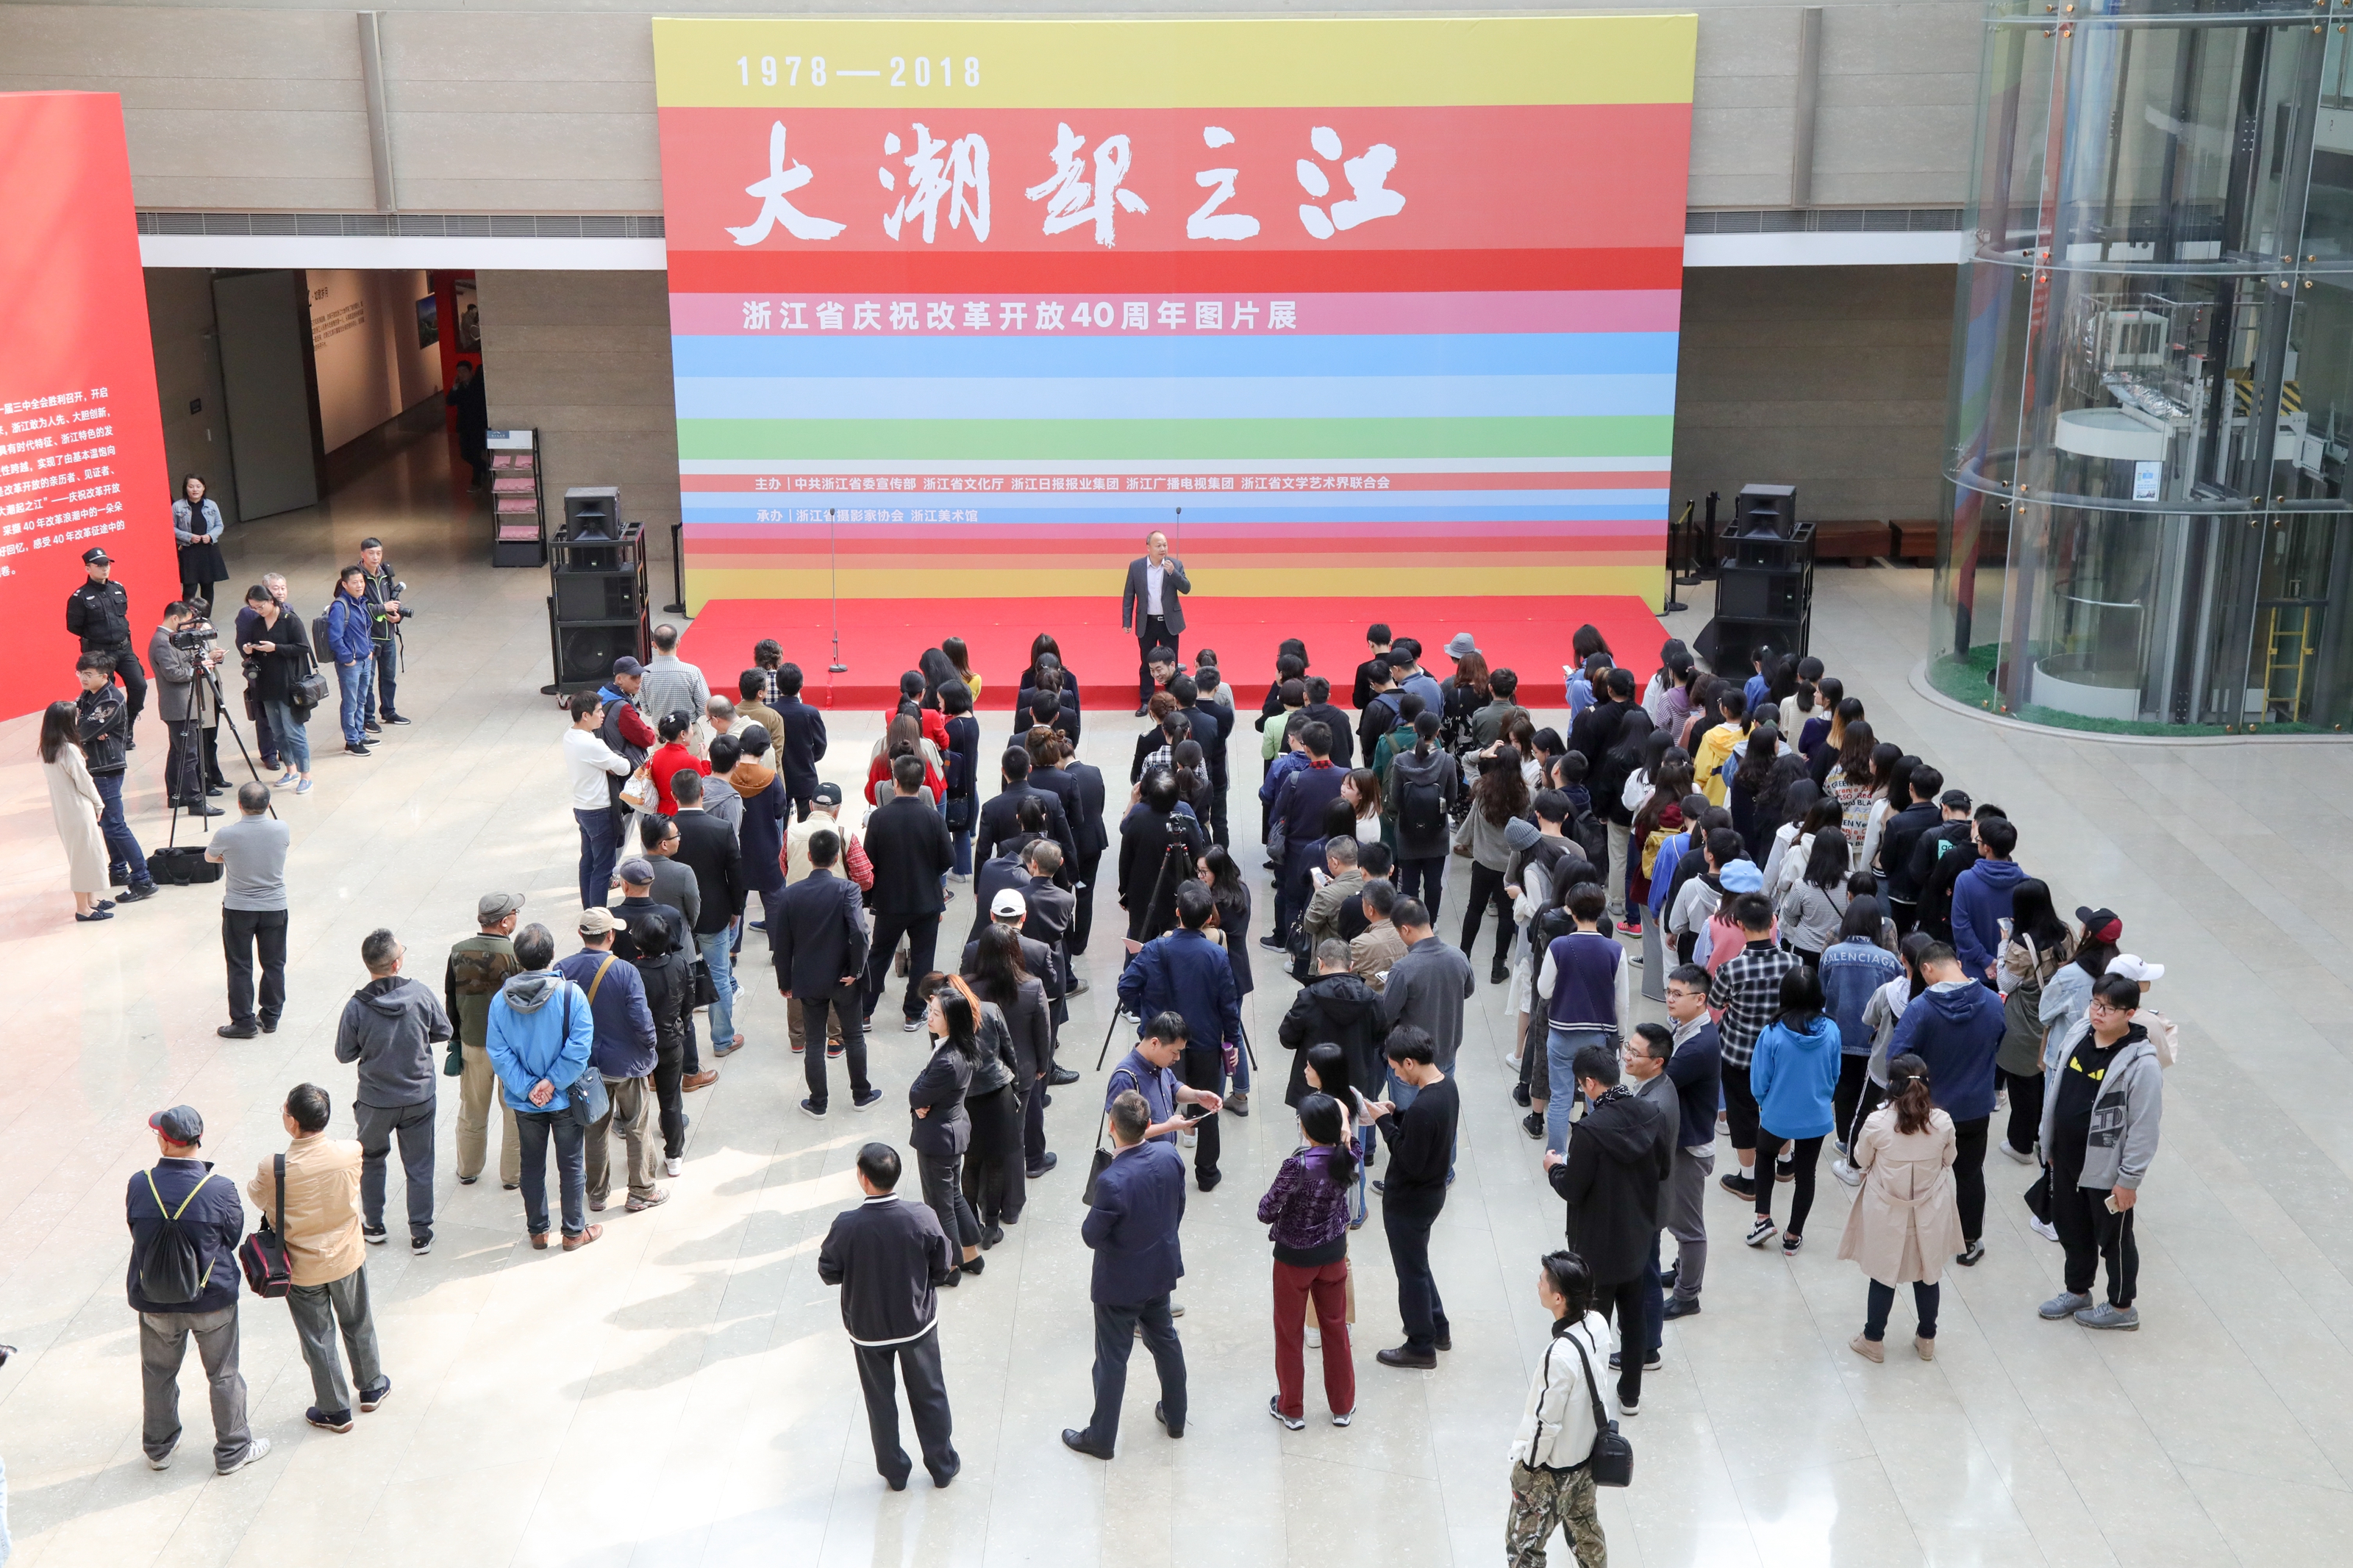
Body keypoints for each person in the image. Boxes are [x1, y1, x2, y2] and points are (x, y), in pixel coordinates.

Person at [128, 1104, 269, 1475]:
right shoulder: (220, 1189)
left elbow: (136, 1230)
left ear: (164, 1142)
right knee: (223, 1374)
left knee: (158, 1374)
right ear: (198, 1139)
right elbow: (232, 1236)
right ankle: (233, 1450)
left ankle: (159, 1448)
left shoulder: (139, 1184)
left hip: (155, 1299)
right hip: (212, 1300)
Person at [819, 1142, 961, 1490]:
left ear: (863, 1178)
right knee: (930, 1395)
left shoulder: (847, 1225)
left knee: (879, 1401)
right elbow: (943, 1265)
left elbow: (828, 1271)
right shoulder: (921, 1216)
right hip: (916, 1324)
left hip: (868, 1330)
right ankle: (942, 1466)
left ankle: (895, 1473)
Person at [1542, 1042, 1671, 1414]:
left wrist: (1554, 1167)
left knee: (1595, 1324)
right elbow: (1663, 1170)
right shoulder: (1652, 1113)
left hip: (1597, 1244)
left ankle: (1593, 1397)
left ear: (1589, 1083)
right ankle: (1630, 1395)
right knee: (1634, 1315)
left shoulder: (1590, 1130)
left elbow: (1573, 1188)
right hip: (1638, 1234)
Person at [1063, 1089, 1190, 1458]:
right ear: (1149, 1125)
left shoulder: (1112, 1180)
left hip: (1119, 1285)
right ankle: (1176, 1417)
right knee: (1166, 1342)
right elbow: (1178, 1207)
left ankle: (1101, 1439)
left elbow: (1091, 1236)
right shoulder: (1169, 1155)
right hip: (1160, 1271)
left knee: (1112, 1360)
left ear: (1112, 1126)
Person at [255, 1082, 390, 1431]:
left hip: (303, 1269)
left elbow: (258, 1198)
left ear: (293, 1122)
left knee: (318, 1338)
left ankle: (335, 1410)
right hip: (346, 1258)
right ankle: (372, 1386)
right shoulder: (351, 1152)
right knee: (358, 1321)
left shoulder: (274, 1167)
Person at [2036, 973, 2161, 1329]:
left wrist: (2129, 1180)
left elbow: (2144, 1128)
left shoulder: (2142, 1065)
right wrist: (2049, 1142)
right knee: (2071, 1229)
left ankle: (2122, 1308)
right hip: (2066, 1159)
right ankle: (2077, 1291)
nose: (2098, 1012)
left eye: (2109, 1008)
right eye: (2095, 1003)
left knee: (2115, 1241)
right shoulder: (2079, 1034)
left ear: (2130, 1013)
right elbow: (2056, 1089)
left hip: (2107, 1171)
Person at [1117, 881, 1243, 1189]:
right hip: (1205, 1042)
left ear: (1177, 913)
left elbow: (1126, 987)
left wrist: (1148, 1017)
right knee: (1208, 1107)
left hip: (1161, 1044)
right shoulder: (1217, 955)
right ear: (1208, 919)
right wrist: (1232, 1042)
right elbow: (1229, 1005)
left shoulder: (1154, 948)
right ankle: (1207, 1173)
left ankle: (1159, 1169)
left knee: (1157, 1109)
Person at [1888, 942, 2007, 1266]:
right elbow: (1998, 1041)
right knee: (1970, 1175)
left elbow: (1895, 1060)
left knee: (1921, 1176)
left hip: (1929, 1111)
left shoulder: (1920, 1009)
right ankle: (1970, 1240)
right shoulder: (1993, 1003)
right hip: (1975, 1109)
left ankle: (1919, 1236)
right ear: (1957, 963)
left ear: (1926, 968)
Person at [333, 927, 451, 1255]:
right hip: (419, 1096)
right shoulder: (420, 993)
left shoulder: (357, 1007)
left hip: (375, 1101)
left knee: (371, 1160)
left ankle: (373, 1225)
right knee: (420, 1165)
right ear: (396, 964)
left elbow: (344, 1053)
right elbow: (444, 1030)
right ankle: (421, 1234)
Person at [484, 925, 601, 1251]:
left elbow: (499, 1053)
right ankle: (574, 1232)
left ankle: (538, 1232)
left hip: (525, 1103)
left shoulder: (500, 1002)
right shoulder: (571, 995)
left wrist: (529, 1088)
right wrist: (552, 1083)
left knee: (532, 1165)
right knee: (571, 1163)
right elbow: (580, 1048)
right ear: (551, 956)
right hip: (565, 1099)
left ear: (518, 959)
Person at [1838, 1054, 1963, 1362]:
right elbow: (1950, 1159)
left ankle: (1873, 1340)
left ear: (1891, 1084)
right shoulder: (1943, 1122)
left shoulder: (1877, 1123)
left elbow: (1861, 1159)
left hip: (1886, 1209)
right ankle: (1927, 1339)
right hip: (1930, 1209)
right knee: (1928, 1273)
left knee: (1883, 1274)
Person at [1505, 1250, 1614, 1568]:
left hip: (1553, 1469)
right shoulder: (1598, 1323)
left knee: (1523, 1548)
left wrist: (1528, 1465)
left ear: (1558, 1298)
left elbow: (1546, 1422)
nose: (1538, 1284)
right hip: (1587, 1455)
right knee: (1586, 1531)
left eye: (1543, 1280)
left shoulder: (1559, 1354)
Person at [556, 907, 667, 1214]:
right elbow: (641, 1020)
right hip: (627, 1064)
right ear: (611, 935)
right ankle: (641, 1191)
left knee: (594, 1130)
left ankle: (596, 1194)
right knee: (636, 1127)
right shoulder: (626, 971)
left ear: (581, 934)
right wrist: (651, 1047)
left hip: (587, 1068)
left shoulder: (563, 969)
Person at [1258, 1092, 1359, 1429]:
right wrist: (1345, 1128)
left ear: (1306, 1128)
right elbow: (1352, 1141)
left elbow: (1265, 1210)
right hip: (1333, 1254)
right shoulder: (1349, 1156)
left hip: (1293, 1260)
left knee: (1289, 1333)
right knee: (1335, 1328)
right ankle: (1343, 1406)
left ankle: (1291, 1408)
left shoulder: (1297, 1166)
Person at [1363, 1025, 1457, 1367]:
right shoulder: (1446, 1087)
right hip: (1431, 1194)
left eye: (1396, 1069)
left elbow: (1409, 1160)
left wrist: (1385, 1123)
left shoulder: (1423, 1107)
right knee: (1418, 1264)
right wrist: (1397, 1115)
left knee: (1410, 1274)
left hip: (1409, 1201)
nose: (1397, 1076)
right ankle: (1438, 1327)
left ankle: (1420, 1344)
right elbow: (1424, 1133)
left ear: (1409, 1062)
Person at [774, 826, 880, 1117]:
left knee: (814, 1043)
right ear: (836, 859)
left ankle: (818, 1102)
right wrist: (856, 970)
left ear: (809, 856)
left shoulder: (790, 895)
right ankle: (862, 1095)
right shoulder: (848, 890)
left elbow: (782, 945)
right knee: (854, 1037)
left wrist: (785, 982)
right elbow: (859, 932)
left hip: (808, 980)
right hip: (844, 978)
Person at [1707, 892, 1802, 1198]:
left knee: (1743, 1114)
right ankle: (1785, 1163)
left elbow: (1715, 1003)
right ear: (1773, 921)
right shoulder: (1794, 963)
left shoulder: (1731, 969)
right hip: (1782, 1052)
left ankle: (1749, 1179)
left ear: (1739, 924)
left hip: (1740, 1054)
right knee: (1779, 1107)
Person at [1746, 967, 1840, 1254]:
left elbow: (1759, 1080)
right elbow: (1834, 1074)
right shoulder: (1832, 1031)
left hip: (1777, 1115)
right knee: (1806, 1174)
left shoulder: (1772, 1033)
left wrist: (1766, 1103)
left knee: (1765, 1155)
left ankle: (1763, 1219)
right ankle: (1793, 1235)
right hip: (1817, 1116)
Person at [963, 923, 1054, 1206]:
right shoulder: (1032, 987)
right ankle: (1012, 1206)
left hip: (977, 1075)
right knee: (1015, 1139)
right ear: (1016, 952)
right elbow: (1044, 1033)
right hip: (1020, 1075)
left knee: (978, 1140)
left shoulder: (967, 988)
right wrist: (1042, 1066)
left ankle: (981, 1201)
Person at [864, 755, 955, 1033]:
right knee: (923, 958)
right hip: (926, 900)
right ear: (923, 782)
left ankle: (864, 1013)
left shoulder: (879, 818)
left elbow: (869, 862)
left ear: (895, 782)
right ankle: (913, 1014)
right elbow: (948, 858)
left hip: (889, 901)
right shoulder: (933, 817)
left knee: (878, 955)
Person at [1535, 885, 1629, 1154]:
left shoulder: (1558, 946)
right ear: (1601, 911)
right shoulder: (1616, 950)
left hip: (1561, 1033)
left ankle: (1556, 1156)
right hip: (1599, 1037)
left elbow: (1544, 990)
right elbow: (1622, 1002)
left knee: (1560, 1098)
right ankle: (1593, 1155)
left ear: (1570, 911)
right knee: (1598, 1099)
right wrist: (1621, 1037)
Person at [612, 870, 694, 1173]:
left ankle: (640, 1158)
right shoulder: (680, 964)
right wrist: (682, 1026)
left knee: (636, 1106)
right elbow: (688, 1003)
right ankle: (674, 1157)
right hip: (671, 1042)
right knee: (671, 1102)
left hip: (637, 1046)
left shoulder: (630, 971)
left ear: (638, 944)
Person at [909, 979, 987, 1281]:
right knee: (953, 1196)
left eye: (936, 1013)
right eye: (930, 1010)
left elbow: (917, 1094)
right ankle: (971, 1255)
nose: (929, 1017)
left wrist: (919, 1100)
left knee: (940, 1205)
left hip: (938, 1139)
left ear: (952, 1019)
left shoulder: (947, 1060)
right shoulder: (961, 1045)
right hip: (952, 1132)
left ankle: (949, 1267)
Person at [446, 892, 524, 1189]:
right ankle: (512, 1176)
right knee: (514, 1113)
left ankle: (468, 1169)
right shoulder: (517, 955)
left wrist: (457, 1038)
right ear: (504, 922)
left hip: (473, 1044)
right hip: (512, 1049)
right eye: (515, 913)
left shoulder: (458, 952)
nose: (516, 917)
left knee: (472, 1111)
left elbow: (451, 1000)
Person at [667, 770, 746, 1059]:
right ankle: (722, 1039)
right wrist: (736, 909)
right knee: (719, 976)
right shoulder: (721, 829)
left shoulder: (665, 831)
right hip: (715, 914)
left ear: (673, 795)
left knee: (676, 981)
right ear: (702, 792)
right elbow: (736, 875)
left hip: (676, 919)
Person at [1996, 878, 2074, 1164]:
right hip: (2054, 1017)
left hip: (2024, 1023)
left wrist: (2003, 945)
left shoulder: (2020, 946)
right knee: (2045, 1078)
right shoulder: (2065, 932)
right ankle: (2044, 1135)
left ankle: (2021, 1145)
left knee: (2022, 1085)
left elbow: (2005, 983)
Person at [1821, 897, 1903, 1157]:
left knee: (1844, 1088)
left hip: (1840, 1034)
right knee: (1872, 1093)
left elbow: (1822, 991)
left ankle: (1846, 1140)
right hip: (1876, 1038)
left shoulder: (1832, 954)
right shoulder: (1889, 960)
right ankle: (1867, 1141)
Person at [1660, 965, 1720, 1319]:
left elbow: (1662, 1082)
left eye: (1677, 994)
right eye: (1668, 992)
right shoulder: (1685, 1028)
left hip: (1690, 1147)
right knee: (1680, 1218)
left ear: (1700, 999)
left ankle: (1687, 1295)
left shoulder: (1699, 1045)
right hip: (1683, 1139)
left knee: (1688, 1227)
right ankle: (1681, 1271)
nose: (1670, 999)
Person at [207, 781, 290, 1037]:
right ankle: (271, 1017)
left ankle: (243, 1022)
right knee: (274, 964)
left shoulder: (227, 834)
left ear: (239, 805)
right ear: (268, 804)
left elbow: (210, 857)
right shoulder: (281, 828)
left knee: (240, 965)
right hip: (275, 907)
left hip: (239, 909)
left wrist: (232, 857)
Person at [74, 653, 159, 898]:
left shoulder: (110, 699)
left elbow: (81, 731)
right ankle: (119, 870)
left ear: (104, 676)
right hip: (95, 766)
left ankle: (143, 879)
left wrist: (88, 727)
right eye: (81, 673)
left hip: (107, 768)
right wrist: (88, 727)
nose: (83, 679)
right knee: (106, 822)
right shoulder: (89, 695)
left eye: (88, 675)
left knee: (114, 824)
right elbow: (76, 721)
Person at [1280, 939, 1385, 1112]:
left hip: (1314, 1089)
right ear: (1351, 966)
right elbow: (1380, 1037)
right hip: (1358, 1087)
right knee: (1357, 1128)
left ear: (1320, 963)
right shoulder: (1373, 999)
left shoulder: (1308, 998)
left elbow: (1287, 1038)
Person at [1380, 899, 1477, 1079]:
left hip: (1410, 1063)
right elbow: (1467, 990)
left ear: (1405, 929)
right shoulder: (1459, 957)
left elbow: (1386, 1014)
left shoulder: (1403, 969)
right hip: (1447, 1054)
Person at [40, 701, 116, 923]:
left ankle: (91, 901)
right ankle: (83, 908)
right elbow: (85, 782)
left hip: (63, 809)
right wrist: (99, 803)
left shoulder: (47, 749)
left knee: (83, 855)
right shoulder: (69, 750)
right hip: (78, 808)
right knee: (84, 858)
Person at [67, 545, 147, 749]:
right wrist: (98, 637)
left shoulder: (117, 588)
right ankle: (106, 730)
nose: (105, 568)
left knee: (139, 685)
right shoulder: (80, 597)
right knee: (105, 693)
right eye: (99, 565)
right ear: (88, 568)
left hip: (124, 649)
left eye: (107, 564)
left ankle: (126, 724)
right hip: (99, 652)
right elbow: (74, 626)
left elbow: (123, 617)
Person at [149, 600, 226, 812]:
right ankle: (194, 800)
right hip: (179, 706)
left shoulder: (170, 638)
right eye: (185, 622)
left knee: (179, 752)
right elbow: (172, 673)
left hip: (184, 704)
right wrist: (198, 670)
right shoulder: (162, 641)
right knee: (189, 754)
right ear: (175, 618)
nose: (188, 627)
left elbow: (182, 663)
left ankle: (177, 795)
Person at [237, 582, 313, 792]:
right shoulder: (257, 624)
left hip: (289, 684)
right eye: (253, 608)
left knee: (294, 730)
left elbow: (303, 647)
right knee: (278, 731)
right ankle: (291, 769)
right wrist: (249, 650)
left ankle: (306, 775)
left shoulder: (290, 620)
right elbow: (252, 646)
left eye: (260, 606)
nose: (257, 611)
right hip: (266, 684)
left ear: (271, 601)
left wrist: (276, 648)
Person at [562, 692, 630, 909]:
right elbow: (624, 767)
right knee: (603, 868)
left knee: (588, 863)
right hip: (600, 811)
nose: (602, 715)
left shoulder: (569, 736)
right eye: (599, 711)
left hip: (582, 808)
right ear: (585, 715)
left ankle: (589, 912)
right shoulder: (592, 745)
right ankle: (599, 917)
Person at [1121, 529, 1191, 711]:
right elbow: (1129, 595)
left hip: (1169, 623)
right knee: (1147, 662)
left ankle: (1172, 698)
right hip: (1147, 622)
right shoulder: (1136, 566)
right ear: (1148, 547)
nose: (1163, 549)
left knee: (1171, 663)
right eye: (1158, 545)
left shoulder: (1175, 564)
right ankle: (1146, 701)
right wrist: (1127, 621)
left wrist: (1174, 573)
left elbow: (1186, 588)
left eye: (1165, 545)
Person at [1952, 815, 2025, 984]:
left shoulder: (1965, 880)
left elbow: (1961, 929)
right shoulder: (2026, 883)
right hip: (2014, 974)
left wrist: (1985, 960)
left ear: (1987, 848)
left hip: (1972, 971)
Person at [354, 537, 406, 729]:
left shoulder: (386, 574)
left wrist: (397, 616)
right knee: (367, 680)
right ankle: (368, 718)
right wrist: (383, 608)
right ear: (363, 554)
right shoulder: (356, 577)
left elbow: (393, 600)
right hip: (369, 638)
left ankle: (389, 711)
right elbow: (356, 608)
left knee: (389, 678)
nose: (375, 557)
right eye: (371, 553)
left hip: (388, 635)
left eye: (379, 553)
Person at [326, 566, 376, 756]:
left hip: (365, 659)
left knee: (361, 699)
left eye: (362, 582)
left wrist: (370, 649)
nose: (360, 585)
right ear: (345, 585)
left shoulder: (362, 602)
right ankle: (352, 741)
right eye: (355, 582)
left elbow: (366, 630)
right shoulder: (340, 607)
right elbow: (335, 637)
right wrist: (348, 659)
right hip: (351, 664)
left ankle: (360, 734)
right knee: (350, 702)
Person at [172, 473, 229, 606]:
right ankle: (187, 615)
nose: (195, 490)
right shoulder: (177, 506)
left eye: (198, 486)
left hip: (208, 549)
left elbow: (219, 525)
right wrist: (189, 536)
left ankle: (205, 615)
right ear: (186, 488)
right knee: (190, 588)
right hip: (188, 551)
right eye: (191, 486)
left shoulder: (211, 505)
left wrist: (210, 536)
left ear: (204, 488)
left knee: (208, 586)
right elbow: (172, 528)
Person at [640, 623, 709, 729]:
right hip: (688, 731)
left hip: (662, 733)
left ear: (654, 645)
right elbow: (705, 706)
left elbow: (646, 710)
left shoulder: (645, 674)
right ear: (678, 643)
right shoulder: (692, 672)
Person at [451, 358, 490, 487]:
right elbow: (450, 401)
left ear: (471, 371)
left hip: (478, 425)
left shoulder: (479, 385)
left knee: (476, 452)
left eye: (464, 371)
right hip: (464, 426)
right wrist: (455, 388)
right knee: (465, 454)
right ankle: (485, 469)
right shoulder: (459, 388)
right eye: (459, 371)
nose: (461, 374)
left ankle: (477, 480)